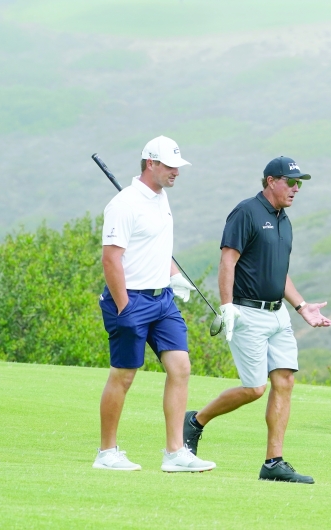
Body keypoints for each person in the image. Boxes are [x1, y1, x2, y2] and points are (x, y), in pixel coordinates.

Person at [184, 156, 331, 484]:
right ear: (270, 181)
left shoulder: (284, 220)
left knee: (285, 381)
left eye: (300, 183)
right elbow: (228, 261)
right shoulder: (246, 212)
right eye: (290, 182)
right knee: (254, 388)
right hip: (246, 312)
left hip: (278, 314)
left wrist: (302, 306)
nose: (296, 189)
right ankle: (195, 421)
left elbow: (277, 273)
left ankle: (273, 463)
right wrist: (226, 307)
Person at [92, 136, 216, 473]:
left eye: (178, 166)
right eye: (170, 166)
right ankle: (107, 452)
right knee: (124, 376)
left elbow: (158, 247)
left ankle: (175, 452)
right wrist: (124, 307)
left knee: (181, 368)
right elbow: (110, 260)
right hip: (130, 298)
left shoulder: (160, 199)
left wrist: (175, 275)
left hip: (163, 300)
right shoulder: (124, 204)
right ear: (151, 164)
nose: (176, 171)